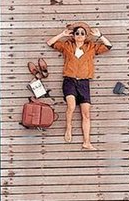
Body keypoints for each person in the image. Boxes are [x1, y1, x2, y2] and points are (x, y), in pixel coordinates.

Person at [46, 21, 112, 149]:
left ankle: (86, 142)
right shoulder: (67, 46)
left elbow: (109, 46)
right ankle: (68, 128)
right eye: (77, 33)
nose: (80, 35)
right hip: (69, 80)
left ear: (86, 35)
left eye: (82, 33)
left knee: (86, 113)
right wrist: (62, 34)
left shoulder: (92, 47)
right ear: (74, 35)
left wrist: (100, 36)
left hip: (84, 82)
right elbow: (50, 43)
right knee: (71, 106)